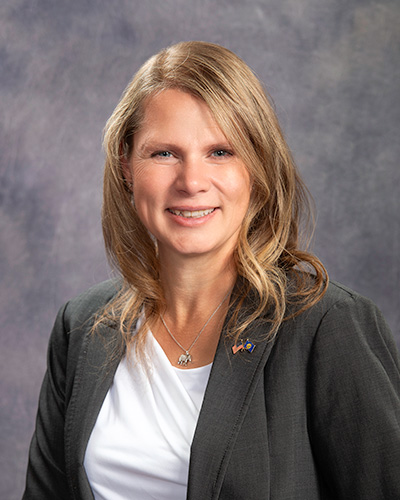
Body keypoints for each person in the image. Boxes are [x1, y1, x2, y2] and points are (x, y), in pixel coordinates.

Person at [23, 41, 400, 500]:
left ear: (257, 168)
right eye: (164, 153)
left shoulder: (327, 326)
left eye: (221, 152)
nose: (192, 181)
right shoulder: (82, 326)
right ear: (126, 166)